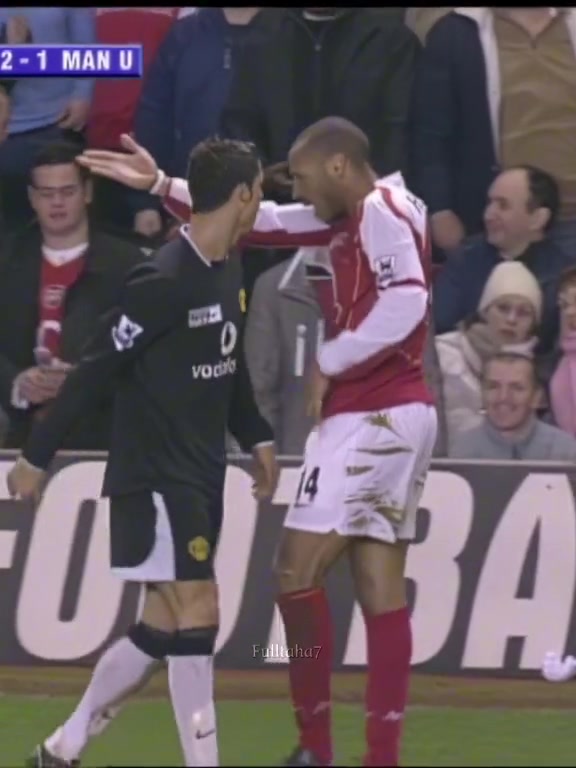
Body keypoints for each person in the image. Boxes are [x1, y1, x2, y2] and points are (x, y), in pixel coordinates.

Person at [79, 116, 437, 767]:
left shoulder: (378, 212)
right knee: (378, 587)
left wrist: (331, 358)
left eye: (302, 177)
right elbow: (261, 221)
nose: (297, 190)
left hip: (375, 415)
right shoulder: (366, 212)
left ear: (337, 166)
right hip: (396, 412)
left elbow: (408, 300)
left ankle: (316, 747)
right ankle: (375, 755)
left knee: (295, 574)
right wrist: (163, 184)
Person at [7, 137, 279, 768]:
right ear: (242, 195)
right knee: (199, 612)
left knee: (162, 625)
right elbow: (95, 369)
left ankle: (63, 748)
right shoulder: (162, 279)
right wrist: (36, 455)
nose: (261, 203)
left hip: (199, 472)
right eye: (260, 192)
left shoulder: (228, 267)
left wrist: (257, 435)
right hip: (154, 475)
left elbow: (229, 361)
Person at [436, 261, 542, 451]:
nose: (511, 319)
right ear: (485, 311)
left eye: (523, 313)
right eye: (503, 308)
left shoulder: (539, 372)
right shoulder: (443, 353)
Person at [450, 353, 576, 461]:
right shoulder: (462, 450)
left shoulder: (564, 450)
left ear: (536, 397)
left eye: (517, 388)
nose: (503, 397)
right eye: (493, 387)